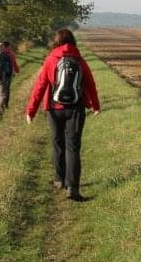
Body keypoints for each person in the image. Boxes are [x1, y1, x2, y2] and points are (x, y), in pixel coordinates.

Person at [25, 28, 100, 201]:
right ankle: (72, 188)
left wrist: (31, 110)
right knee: (73, 148)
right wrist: (94, 105)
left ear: (56, 41)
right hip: (75, 108)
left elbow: (40, 86)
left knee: (57, 144)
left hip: (53, 109)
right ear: (73, 41)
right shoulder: (79, 59)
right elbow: (90, 84)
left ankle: (59, 180)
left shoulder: (51, 59)